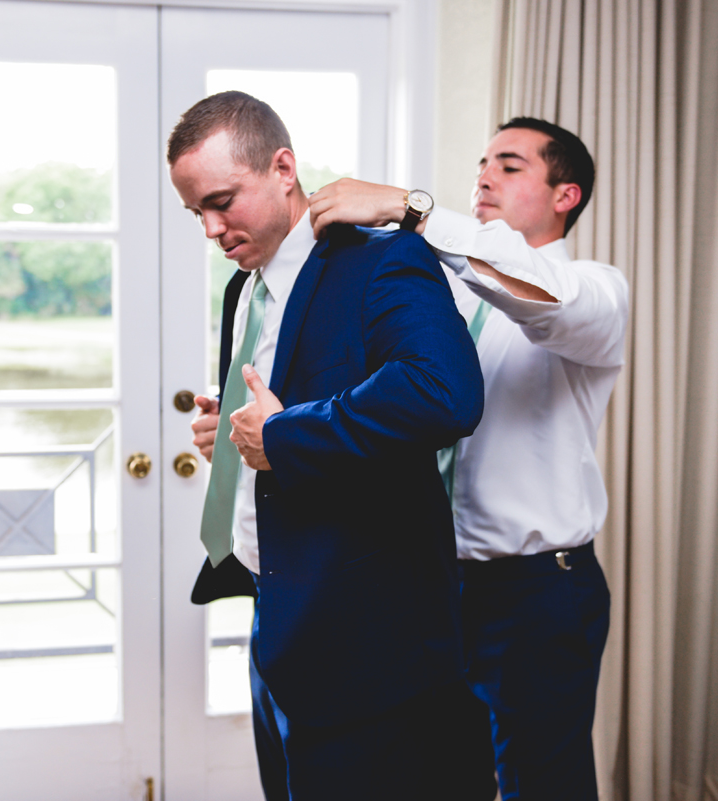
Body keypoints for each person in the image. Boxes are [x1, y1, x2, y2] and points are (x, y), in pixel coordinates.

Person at [169, 91, 496, 801]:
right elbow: (288, 394)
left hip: (366, 640)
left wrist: (284, 434)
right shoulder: (242, 288)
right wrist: (232, 431)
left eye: (222, 201)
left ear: (283, 167)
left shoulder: (382, 260)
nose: (211, 228)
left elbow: (444, 392)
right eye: (196, 211)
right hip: (276, 616)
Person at [308, 118, 629, 801]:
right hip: (430, 584)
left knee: (541, 784)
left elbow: (539, 297)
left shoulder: (593, 292)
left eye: (509, 165)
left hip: (538, 594)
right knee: (441, 774)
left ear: (565, 194)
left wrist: (409, 208)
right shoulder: (443, 300)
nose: (483, 175)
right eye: (482, 161)